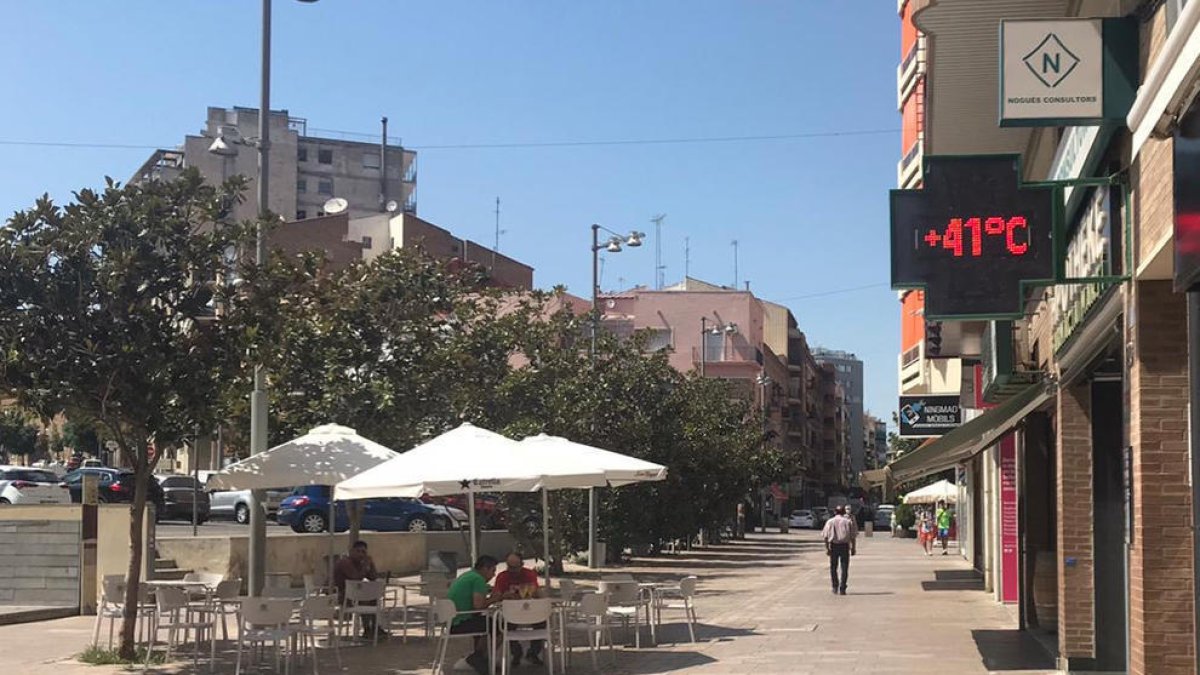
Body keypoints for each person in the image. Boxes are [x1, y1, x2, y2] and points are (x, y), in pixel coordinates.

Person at [447, 555, 505, 675]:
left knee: (487, 623)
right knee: (500, 626)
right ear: (484, 568)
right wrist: (495, 599)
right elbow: (478, 606)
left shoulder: (468, 575)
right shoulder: (478, 579)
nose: (494, 575)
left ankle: (479, 659)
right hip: (461, 621)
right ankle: (478, 658)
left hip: (450, 620)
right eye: (492, 571)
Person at [493, 552, 545, 666]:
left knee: (542, 621)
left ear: (521, 565)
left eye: (514, 567)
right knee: (507, 625)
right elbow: (496, 595)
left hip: (530, 609)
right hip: (511, 612)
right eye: (509, 567)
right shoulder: (502, 576)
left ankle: (533, 653)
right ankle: (516, 652)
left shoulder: (529, 574)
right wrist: (503, 596)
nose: (511, 570)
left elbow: (537, 592)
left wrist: (542, 599)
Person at [333, 540, 387, 639]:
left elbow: (373, 577)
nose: (361, 554)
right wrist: (365, 566)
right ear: (352, 551)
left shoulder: (361, 563)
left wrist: (371, 565)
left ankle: (375, 627)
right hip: (343, 596)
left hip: (356, 594)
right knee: (365, 598)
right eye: (358, 551)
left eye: (363, 552)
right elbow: (356, 578)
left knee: (372, 597)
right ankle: (367, 628)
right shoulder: (345, 562)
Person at [821, 505, 857, 595]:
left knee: (833, 567)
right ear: (843, 512)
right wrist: (853, 548)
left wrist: (827, 548)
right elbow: (853, 536)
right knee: (844, 568)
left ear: (835, 512)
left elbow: (825, 536)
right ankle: (843, 587)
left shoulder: (830, 522)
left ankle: (834, 586)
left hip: (834, 546)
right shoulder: (848, 522)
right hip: (844, 546)